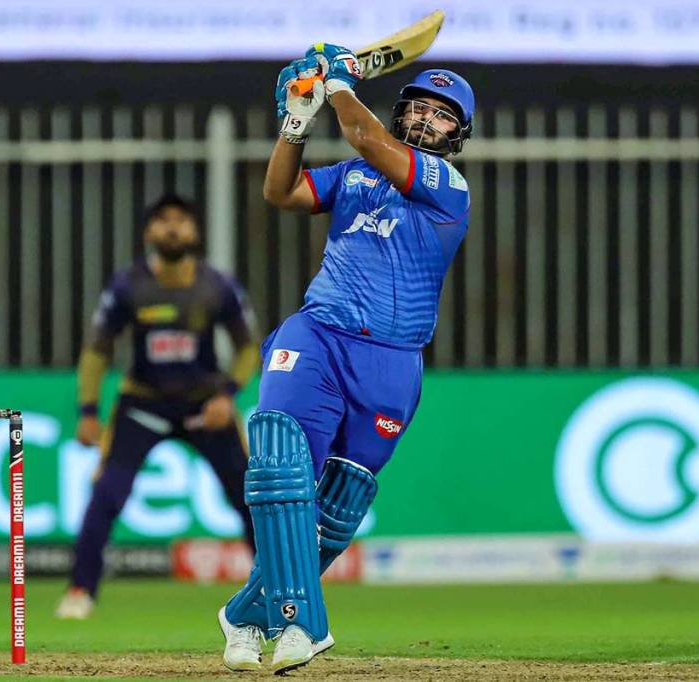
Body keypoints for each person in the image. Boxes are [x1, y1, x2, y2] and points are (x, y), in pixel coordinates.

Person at [216, 46, 474, 673]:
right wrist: (296, 121)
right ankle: (303, 622)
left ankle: (245, 612)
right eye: (418, 106)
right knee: (280, 465)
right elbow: (282, 191)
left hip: (393, 362)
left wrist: (335, 82)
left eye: (442, 117)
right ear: (401, 108)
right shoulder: (356, 177)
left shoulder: (447, 186)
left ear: (458, 137)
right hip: (319, 336)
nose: (425, 120)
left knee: (337, 512)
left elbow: (361, 131)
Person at [56, 194, 260, 619]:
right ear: (149, 232)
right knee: (107, 493)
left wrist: (227, 394)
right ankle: (80, 591)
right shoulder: (127, 286)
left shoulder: (216, 286)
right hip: (143, 404)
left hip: (206, 405)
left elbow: (247, 349)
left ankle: (276, 590)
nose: (172, 229)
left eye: (181, 221)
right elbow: (96, 350)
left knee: (248, 497)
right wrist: (88, 412)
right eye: (163, 221)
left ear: (195, 232)